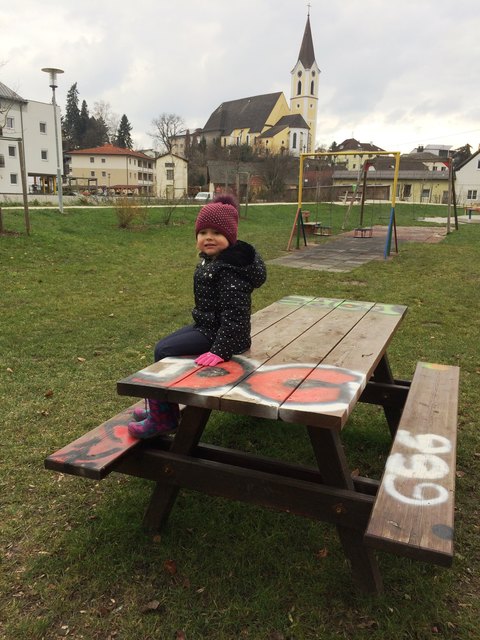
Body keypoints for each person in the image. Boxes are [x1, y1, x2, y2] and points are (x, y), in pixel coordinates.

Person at [128, 194, 267, 439]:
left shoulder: (228, 271)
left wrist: (220, 350)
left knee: (163, 350)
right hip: (206, 325)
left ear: (230, 237)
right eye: (203, 233)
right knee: (165, 346)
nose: (208, 237)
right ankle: (159, 409)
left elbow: (236, 316)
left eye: (216, 232)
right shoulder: (212, 261)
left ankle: (164, 419)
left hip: (220, 335)